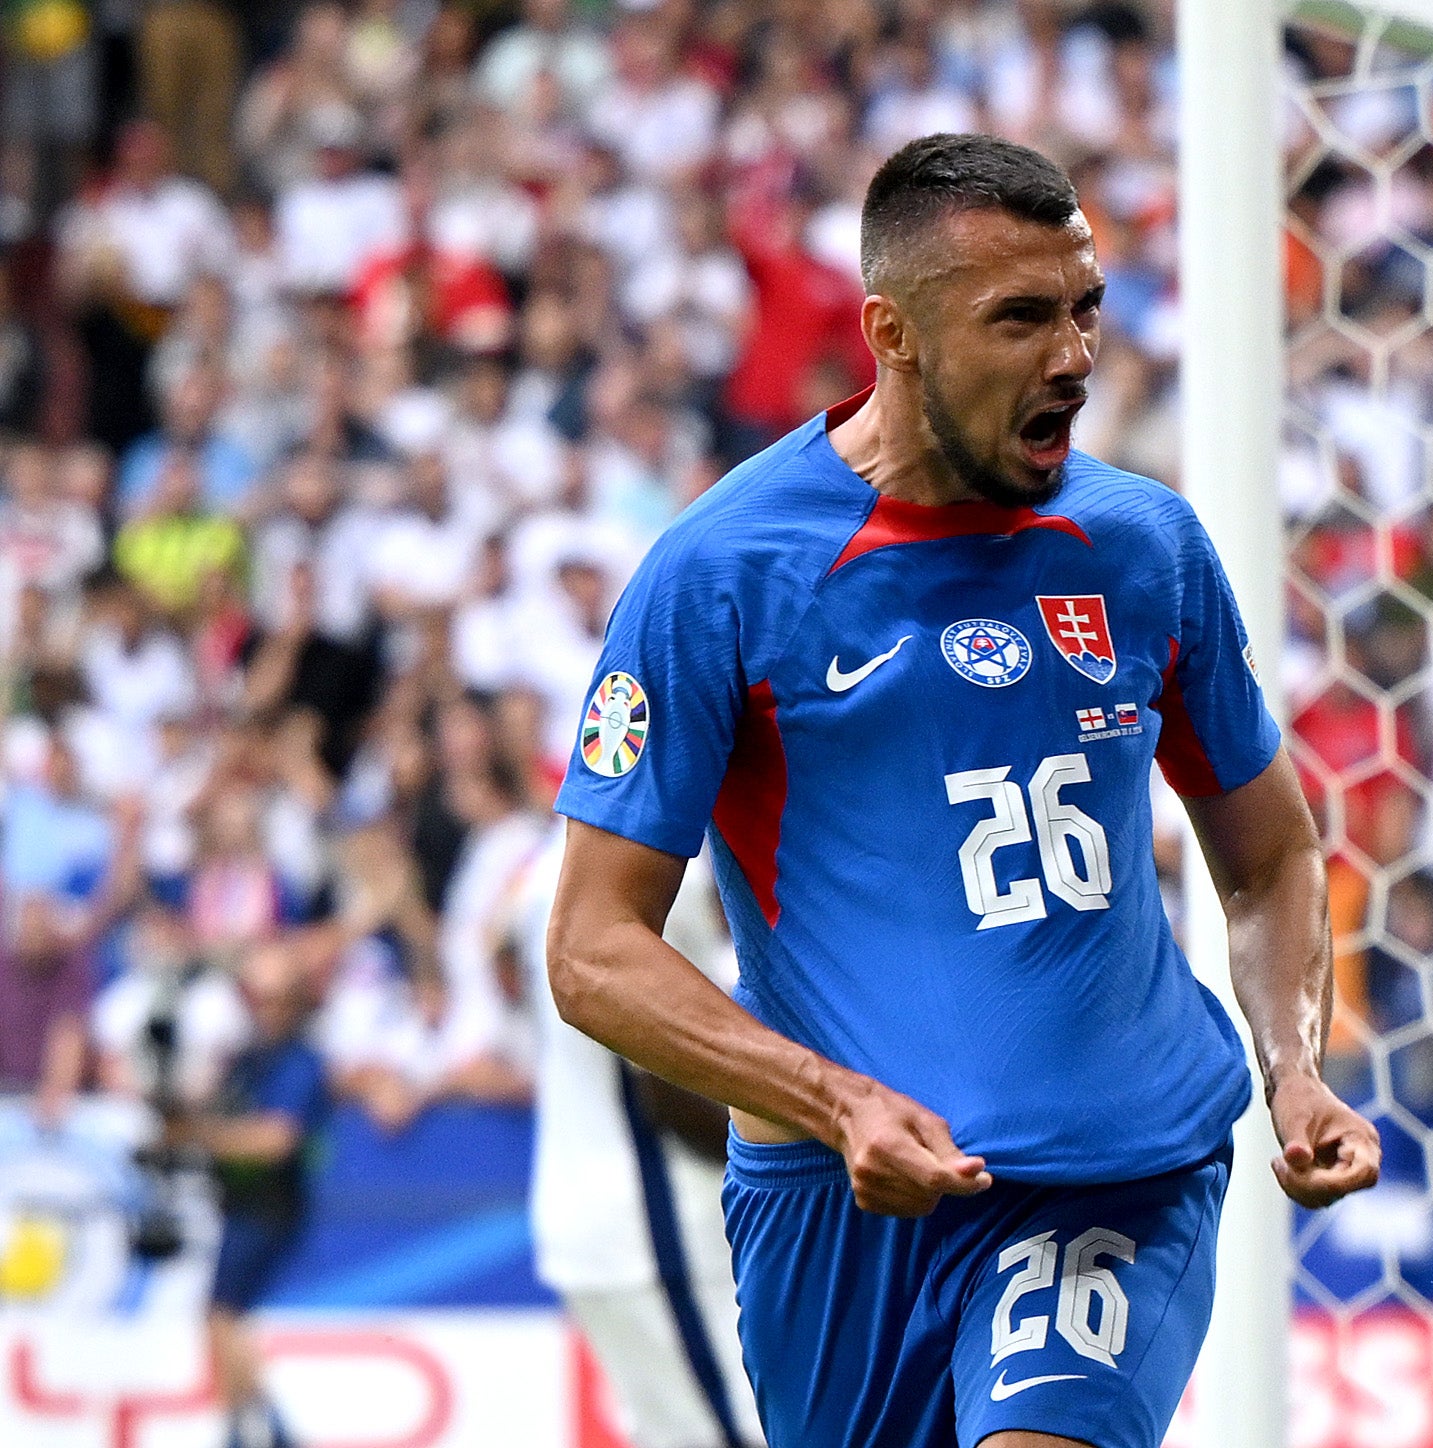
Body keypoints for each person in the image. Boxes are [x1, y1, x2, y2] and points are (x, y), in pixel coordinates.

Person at [546, 133, 1380, 1448]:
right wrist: (837, 1102)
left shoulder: (1142, 548)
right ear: (897, 332)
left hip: (1121, 1164)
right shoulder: (721, 575)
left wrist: (1297, 1071)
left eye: (1086, 311)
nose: (1074, 358)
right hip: (839, 1199)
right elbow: (591, 950)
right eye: (1023, 319)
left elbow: (1268, 854)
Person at [512, 824, 760, 1448]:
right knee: (738, 1432)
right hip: (655, 1220)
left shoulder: (550, 861)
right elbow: (669, 1084)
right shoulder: (650, 871)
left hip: (596, 1205)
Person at [163, 939, 331, 1448]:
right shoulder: (248, 1059)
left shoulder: (301, 1061)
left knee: (224, 1317)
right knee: (221, 1321)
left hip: (271, 1208)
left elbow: (277, 1139)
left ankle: (261, 1428)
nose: (267, 1009)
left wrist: (201, 1134)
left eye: (277, 998)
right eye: (259, 997)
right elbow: (212, 1105)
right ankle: (250, 1424)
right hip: (239, 1206)